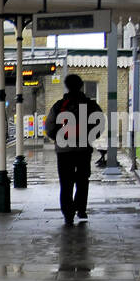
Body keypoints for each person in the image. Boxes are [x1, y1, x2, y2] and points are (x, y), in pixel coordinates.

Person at [44, 74, 104, 226]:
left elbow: (49, 127)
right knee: (83, 180)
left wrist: (58, 138)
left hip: (64, 151)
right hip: (84, 149)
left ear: (67, 86)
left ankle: (68, 213)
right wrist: (91, 136)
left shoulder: (59, 105)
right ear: (81, 86)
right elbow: (100, 124)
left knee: (66, 182)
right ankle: (81, 209)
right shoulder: (90, 104)